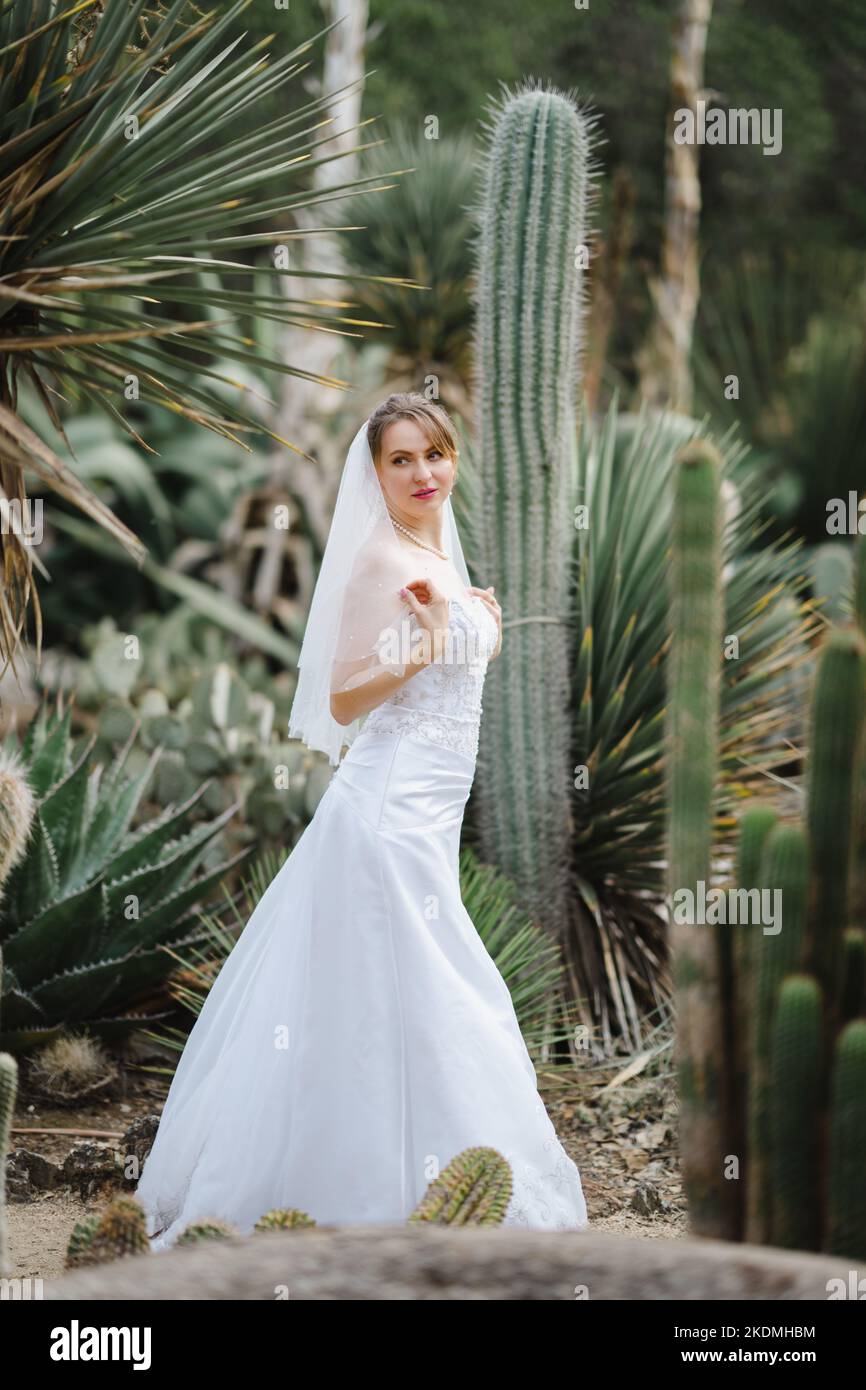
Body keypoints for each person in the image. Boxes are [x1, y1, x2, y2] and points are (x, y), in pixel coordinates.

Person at [135, 393, 588, 1248]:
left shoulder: (435, 549)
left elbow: (453, 657)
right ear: (375, 474)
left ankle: (398, 1182)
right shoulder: (381, 558)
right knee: (433, 987)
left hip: (426, 814)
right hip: (387, 813)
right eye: (401, 461)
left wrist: (473, 616)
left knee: (388, 1000)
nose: (424, 474)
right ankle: (376, 1195)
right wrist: (423, 648)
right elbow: (343, 698)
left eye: (436, 454)